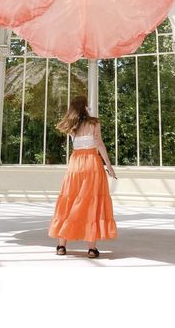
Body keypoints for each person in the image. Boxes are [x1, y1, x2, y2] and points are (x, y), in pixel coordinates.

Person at [48, 95, 117, 258]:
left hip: (75, 164)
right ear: (86, 106)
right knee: (91, 203)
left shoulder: (71, 125)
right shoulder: (94, 123)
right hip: (92, 164)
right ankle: (92, 249)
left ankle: (61, 246)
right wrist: (109, 166)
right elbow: (99, 143)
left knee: (69, 201)